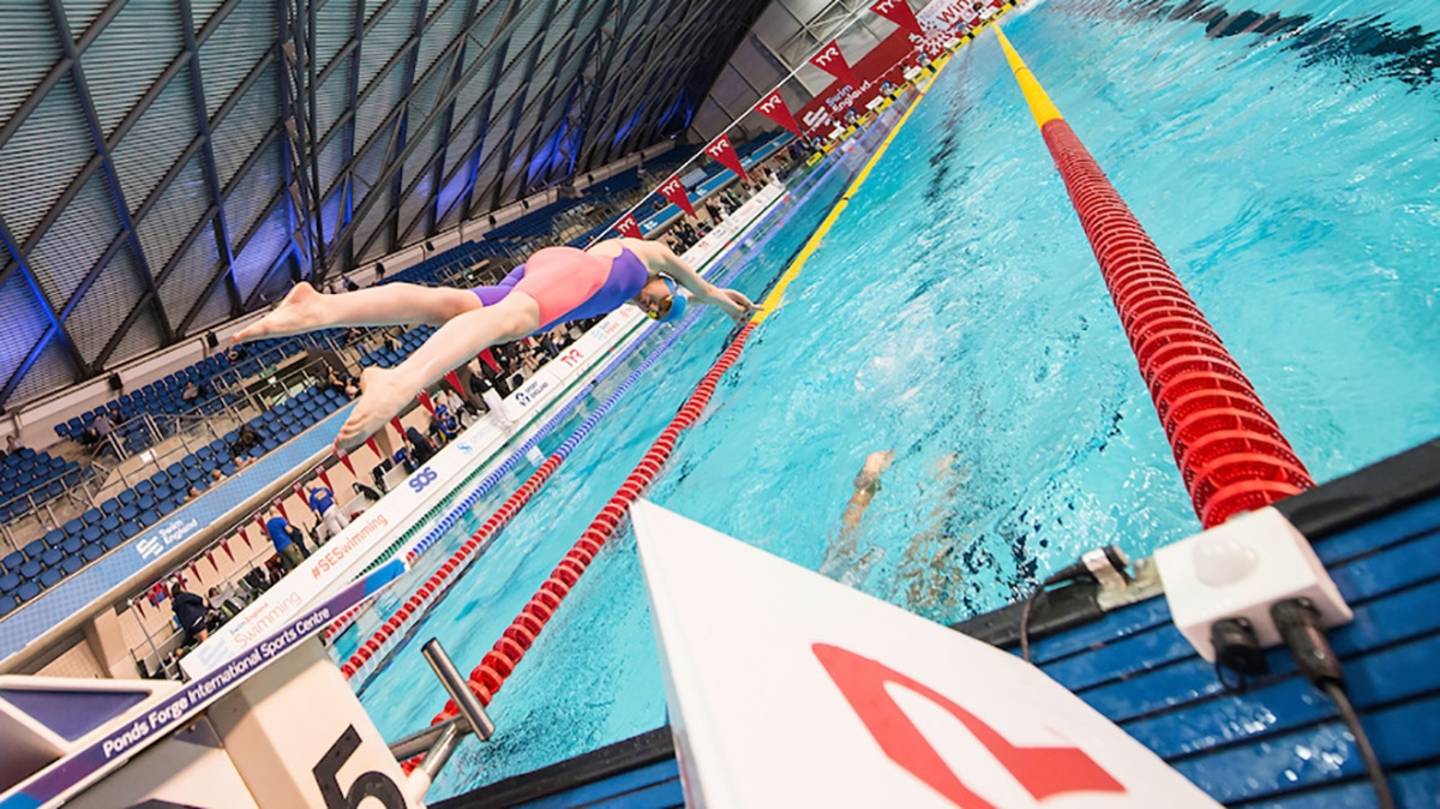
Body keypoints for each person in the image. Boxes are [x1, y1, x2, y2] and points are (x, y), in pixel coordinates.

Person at [233, 237, 756, 447]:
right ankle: (399, 380)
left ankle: (322, 307)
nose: (654, 306)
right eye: (663, 303)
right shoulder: (650, 257)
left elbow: (684, 293)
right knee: (515, 318)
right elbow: (702, 286)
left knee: (449, 303)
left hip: (549, 268)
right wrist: (726, 302)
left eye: (656, 315)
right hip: (572, 274)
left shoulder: (629, 290)